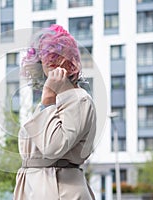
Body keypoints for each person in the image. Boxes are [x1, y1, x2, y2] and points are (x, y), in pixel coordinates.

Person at [13, 24, 97, 200]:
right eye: (46, 56)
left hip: (60, 189)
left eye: (58, 55)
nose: (51, 61)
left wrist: (48, 98)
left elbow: (53, 147)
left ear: (71, 60)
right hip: (36, 186)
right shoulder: (50, 101)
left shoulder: (79, 99)